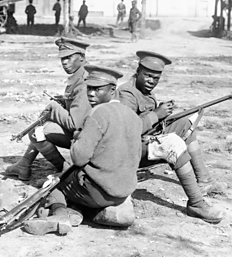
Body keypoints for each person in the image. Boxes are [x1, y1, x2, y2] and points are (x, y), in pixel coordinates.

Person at [23, 65, 143, 235]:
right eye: (89, 88)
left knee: (53, 183)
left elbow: (79, 158)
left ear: (112, 89)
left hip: (98, 190)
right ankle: (102, 212)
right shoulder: (133, 116)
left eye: (98, 89)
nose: (91, 94)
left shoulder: (98, 113)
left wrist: (77, 137)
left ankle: (60, 215)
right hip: (124, 190)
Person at [116, 51, 224, 224]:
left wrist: (162, 114)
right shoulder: (127, 93)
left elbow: (146, 121)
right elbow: (126, 130)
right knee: (173, 144)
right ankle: (196, 203)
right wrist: (157, 115)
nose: (151, 81)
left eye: (156, 78)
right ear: (138, 72)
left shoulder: (145, 91)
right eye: (148, 76)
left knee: (185, 124)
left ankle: (204, 180)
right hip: (129, 152)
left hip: (144, 141)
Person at [4, 38, 92, 180]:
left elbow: (75, 124)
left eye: (69, 57)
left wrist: (54, 108)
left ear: (81, 57)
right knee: (40, 127)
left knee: (37, 132)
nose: (64, 62)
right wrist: (64, 101)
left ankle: (65, 171)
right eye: (62, 58)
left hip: (87, 138)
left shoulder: (83, 82)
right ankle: (23, 165)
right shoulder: (79, 75)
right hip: (83, 132)